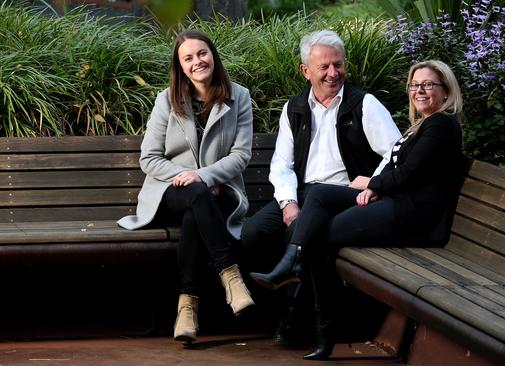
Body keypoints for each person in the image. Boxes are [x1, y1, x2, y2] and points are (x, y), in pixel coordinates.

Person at [251, 60, 465, 360]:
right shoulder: (424, 125)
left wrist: (373, 183)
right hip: (398, 204)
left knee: (320, 235)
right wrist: (378, 187)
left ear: (445, 90)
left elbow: (408, 173)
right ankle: (293, 262)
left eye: (428, 84)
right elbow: (402, 169)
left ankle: (322, 328)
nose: (420, 91)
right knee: (320, 194)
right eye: (415, 85)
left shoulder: (441, 124)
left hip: (414, 217)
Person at [241, 29, 401, 343]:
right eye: (324, 67)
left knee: (300, 237)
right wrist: (288, 202)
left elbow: (396, 151)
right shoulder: (295, 108)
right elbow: (281, 164)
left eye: (338, 65)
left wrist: (374, 182)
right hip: (303, 193)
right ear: (306, 71)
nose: (333, 73)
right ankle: (287, 304)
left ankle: (294, 321)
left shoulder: (364, 104)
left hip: (343, 198)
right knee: (253, 233)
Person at [117, 29, 254, 345]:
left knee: (197, 211)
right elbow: (149, 158)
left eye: (202, 53)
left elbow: (241, 155)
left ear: (213, 56)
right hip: (171, 192)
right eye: (188, 58)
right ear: (180, 66)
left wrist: (205, 176)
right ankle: (231, 277)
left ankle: (187, 307)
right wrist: (191, 178)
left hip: (217, 194)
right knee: (195, 195)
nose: (197, 61)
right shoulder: (167, 100)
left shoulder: (239, 97)